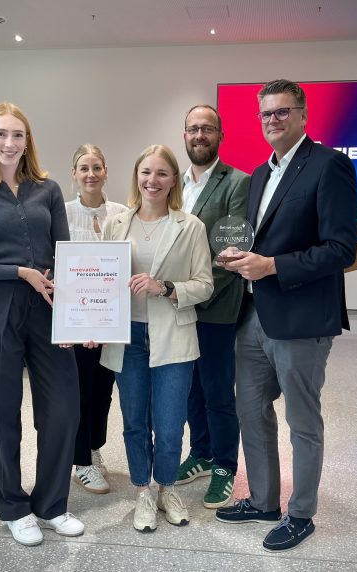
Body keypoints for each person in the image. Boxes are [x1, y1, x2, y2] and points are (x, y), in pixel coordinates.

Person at [215, 80, 357, 552]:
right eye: (265, 115)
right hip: (254, 312)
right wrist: (242, 256)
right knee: (250, 410)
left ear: (302, 115)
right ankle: (262, 500)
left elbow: (341, 249)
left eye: (281, 112)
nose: (272, 121)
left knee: (302, 420)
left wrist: (273, 266)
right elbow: (266, 239)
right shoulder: (259, 174)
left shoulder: (329, 165)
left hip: (301, 319)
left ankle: (301, 513)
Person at [0, 102, 84, 547]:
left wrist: (81, 311)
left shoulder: (48, 189)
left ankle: (51, 504)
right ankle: (12, 507)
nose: (9, 143)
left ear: (29, 140)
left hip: (47, 309)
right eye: (1, 134)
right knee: (1, 415)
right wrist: (17, 271)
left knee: (63, 408)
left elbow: (67, 255)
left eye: (18, 135)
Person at [99, 144, 213, 532]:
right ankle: (142, 491)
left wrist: (164, 287)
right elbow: (99, 281)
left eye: (162, 173)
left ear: (173, 180)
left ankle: (166, 488)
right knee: (134, 421)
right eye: (146, 172)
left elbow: (204, 286)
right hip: (126, 336)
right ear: (136, 177)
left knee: (168, 423)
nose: (153, 180)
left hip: (172, 337)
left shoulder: (190, 226)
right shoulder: (116, 224)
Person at [175, 104, 249, 509]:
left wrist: (190, 291)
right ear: (183, 135)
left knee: (218, 391)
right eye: (192, 129)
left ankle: (224, 467)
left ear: (220, 135)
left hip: (215, 305)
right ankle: (200, 453)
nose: (199, 135)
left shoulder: (238, 182)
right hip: (175, 308)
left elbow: (232, 256)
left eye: (207, 129)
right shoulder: (174, 184)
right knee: (189, 389)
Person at [65, 144, 128, 494]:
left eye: (97, 167)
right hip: (75, 323)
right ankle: (81, 462)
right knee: (78, 392)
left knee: (103, 391)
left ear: (106, 172)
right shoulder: (61, 213)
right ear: (74, 173)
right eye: (83, 168)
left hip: (110, 321)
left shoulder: (122, 213)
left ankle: (93, 450)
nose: (91, 174)